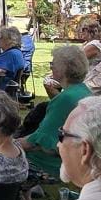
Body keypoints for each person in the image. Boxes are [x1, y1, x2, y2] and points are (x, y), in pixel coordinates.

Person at [19, 45, 92, 180]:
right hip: (79, 158)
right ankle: (26, 198)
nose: (51, 66)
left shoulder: (65, 99)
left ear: (65, 68)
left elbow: (39, 140)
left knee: (0, 157)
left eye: (53, 63)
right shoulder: (84, 90)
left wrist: (5, 144)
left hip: (59, 164)